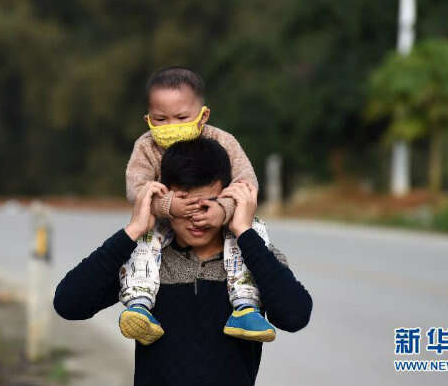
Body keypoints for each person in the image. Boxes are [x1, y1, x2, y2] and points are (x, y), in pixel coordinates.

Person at [53, 137, 312, 386]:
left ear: (227, 199)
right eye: (185, 206)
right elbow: (69, 304)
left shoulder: (254, 257)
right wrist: (132, 231)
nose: (196, 219)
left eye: (207, 205)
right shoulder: (144, 262)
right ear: (166, 200)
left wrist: (245, 232)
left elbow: (295, 316)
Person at [121, 66, 273, 346]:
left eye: (181, 117)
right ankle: (140, 304)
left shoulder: (224, 142)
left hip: (219, 219)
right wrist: (167, 204)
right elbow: (136, 187)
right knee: (143, 238)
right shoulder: (145, 147)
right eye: (160, 119)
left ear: (203, 115)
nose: (170, 127)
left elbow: (247, 184)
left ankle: (245, 306)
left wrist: (223, 209)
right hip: (166, 221)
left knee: (252, 231)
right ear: (148, 120)